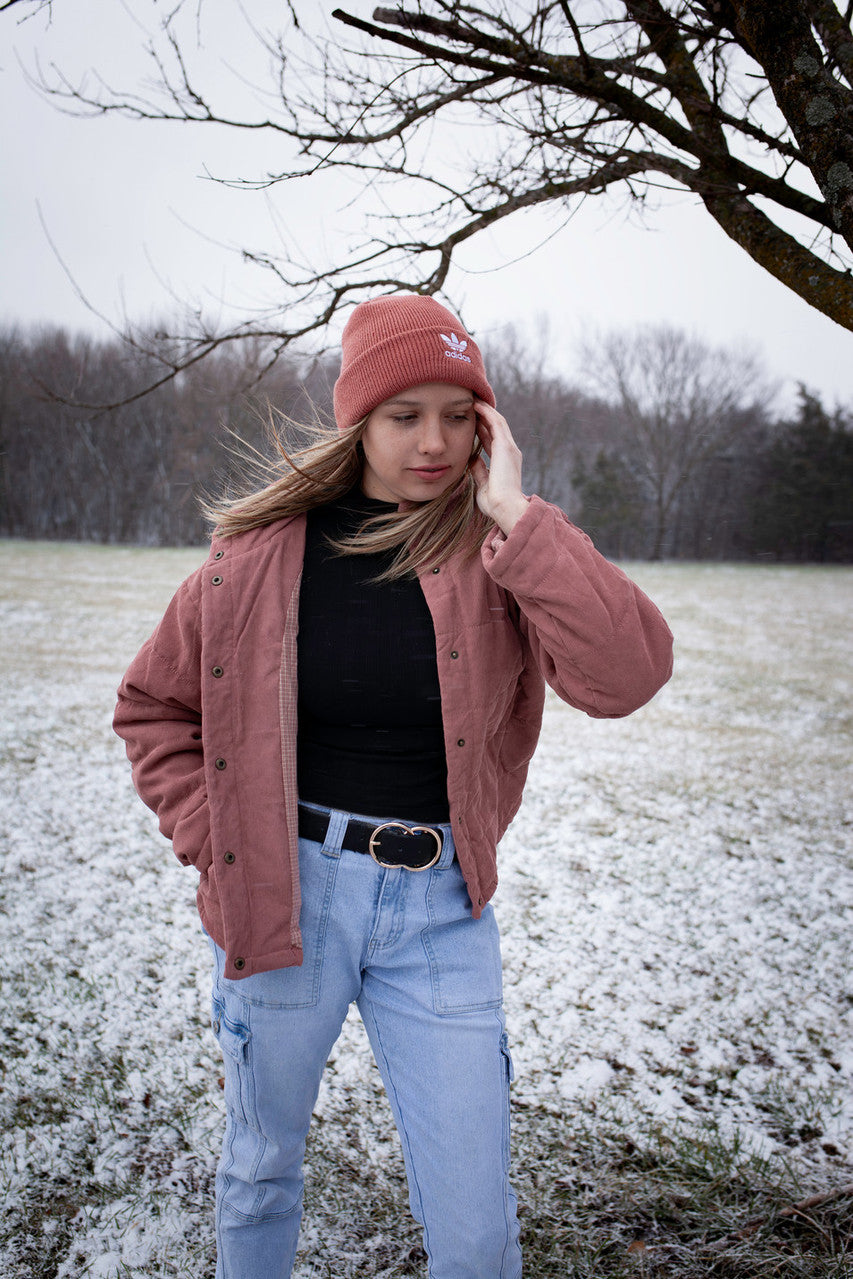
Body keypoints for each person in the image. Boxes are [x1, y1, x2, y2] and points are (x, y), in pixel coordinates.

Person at [113, 293, 673, 1279]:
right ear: (357, 421)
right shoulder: (252, 561)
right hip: (286, 900)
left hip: (442, 910)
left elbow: (625, 676)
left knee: (473, 1222)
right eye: (404, 414)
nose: (434, 441)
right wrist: (218, 836)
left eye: (459, 415)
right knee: (260, 1165)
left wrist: (517, 514)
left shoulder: (502, 552)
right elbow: (153, 708)